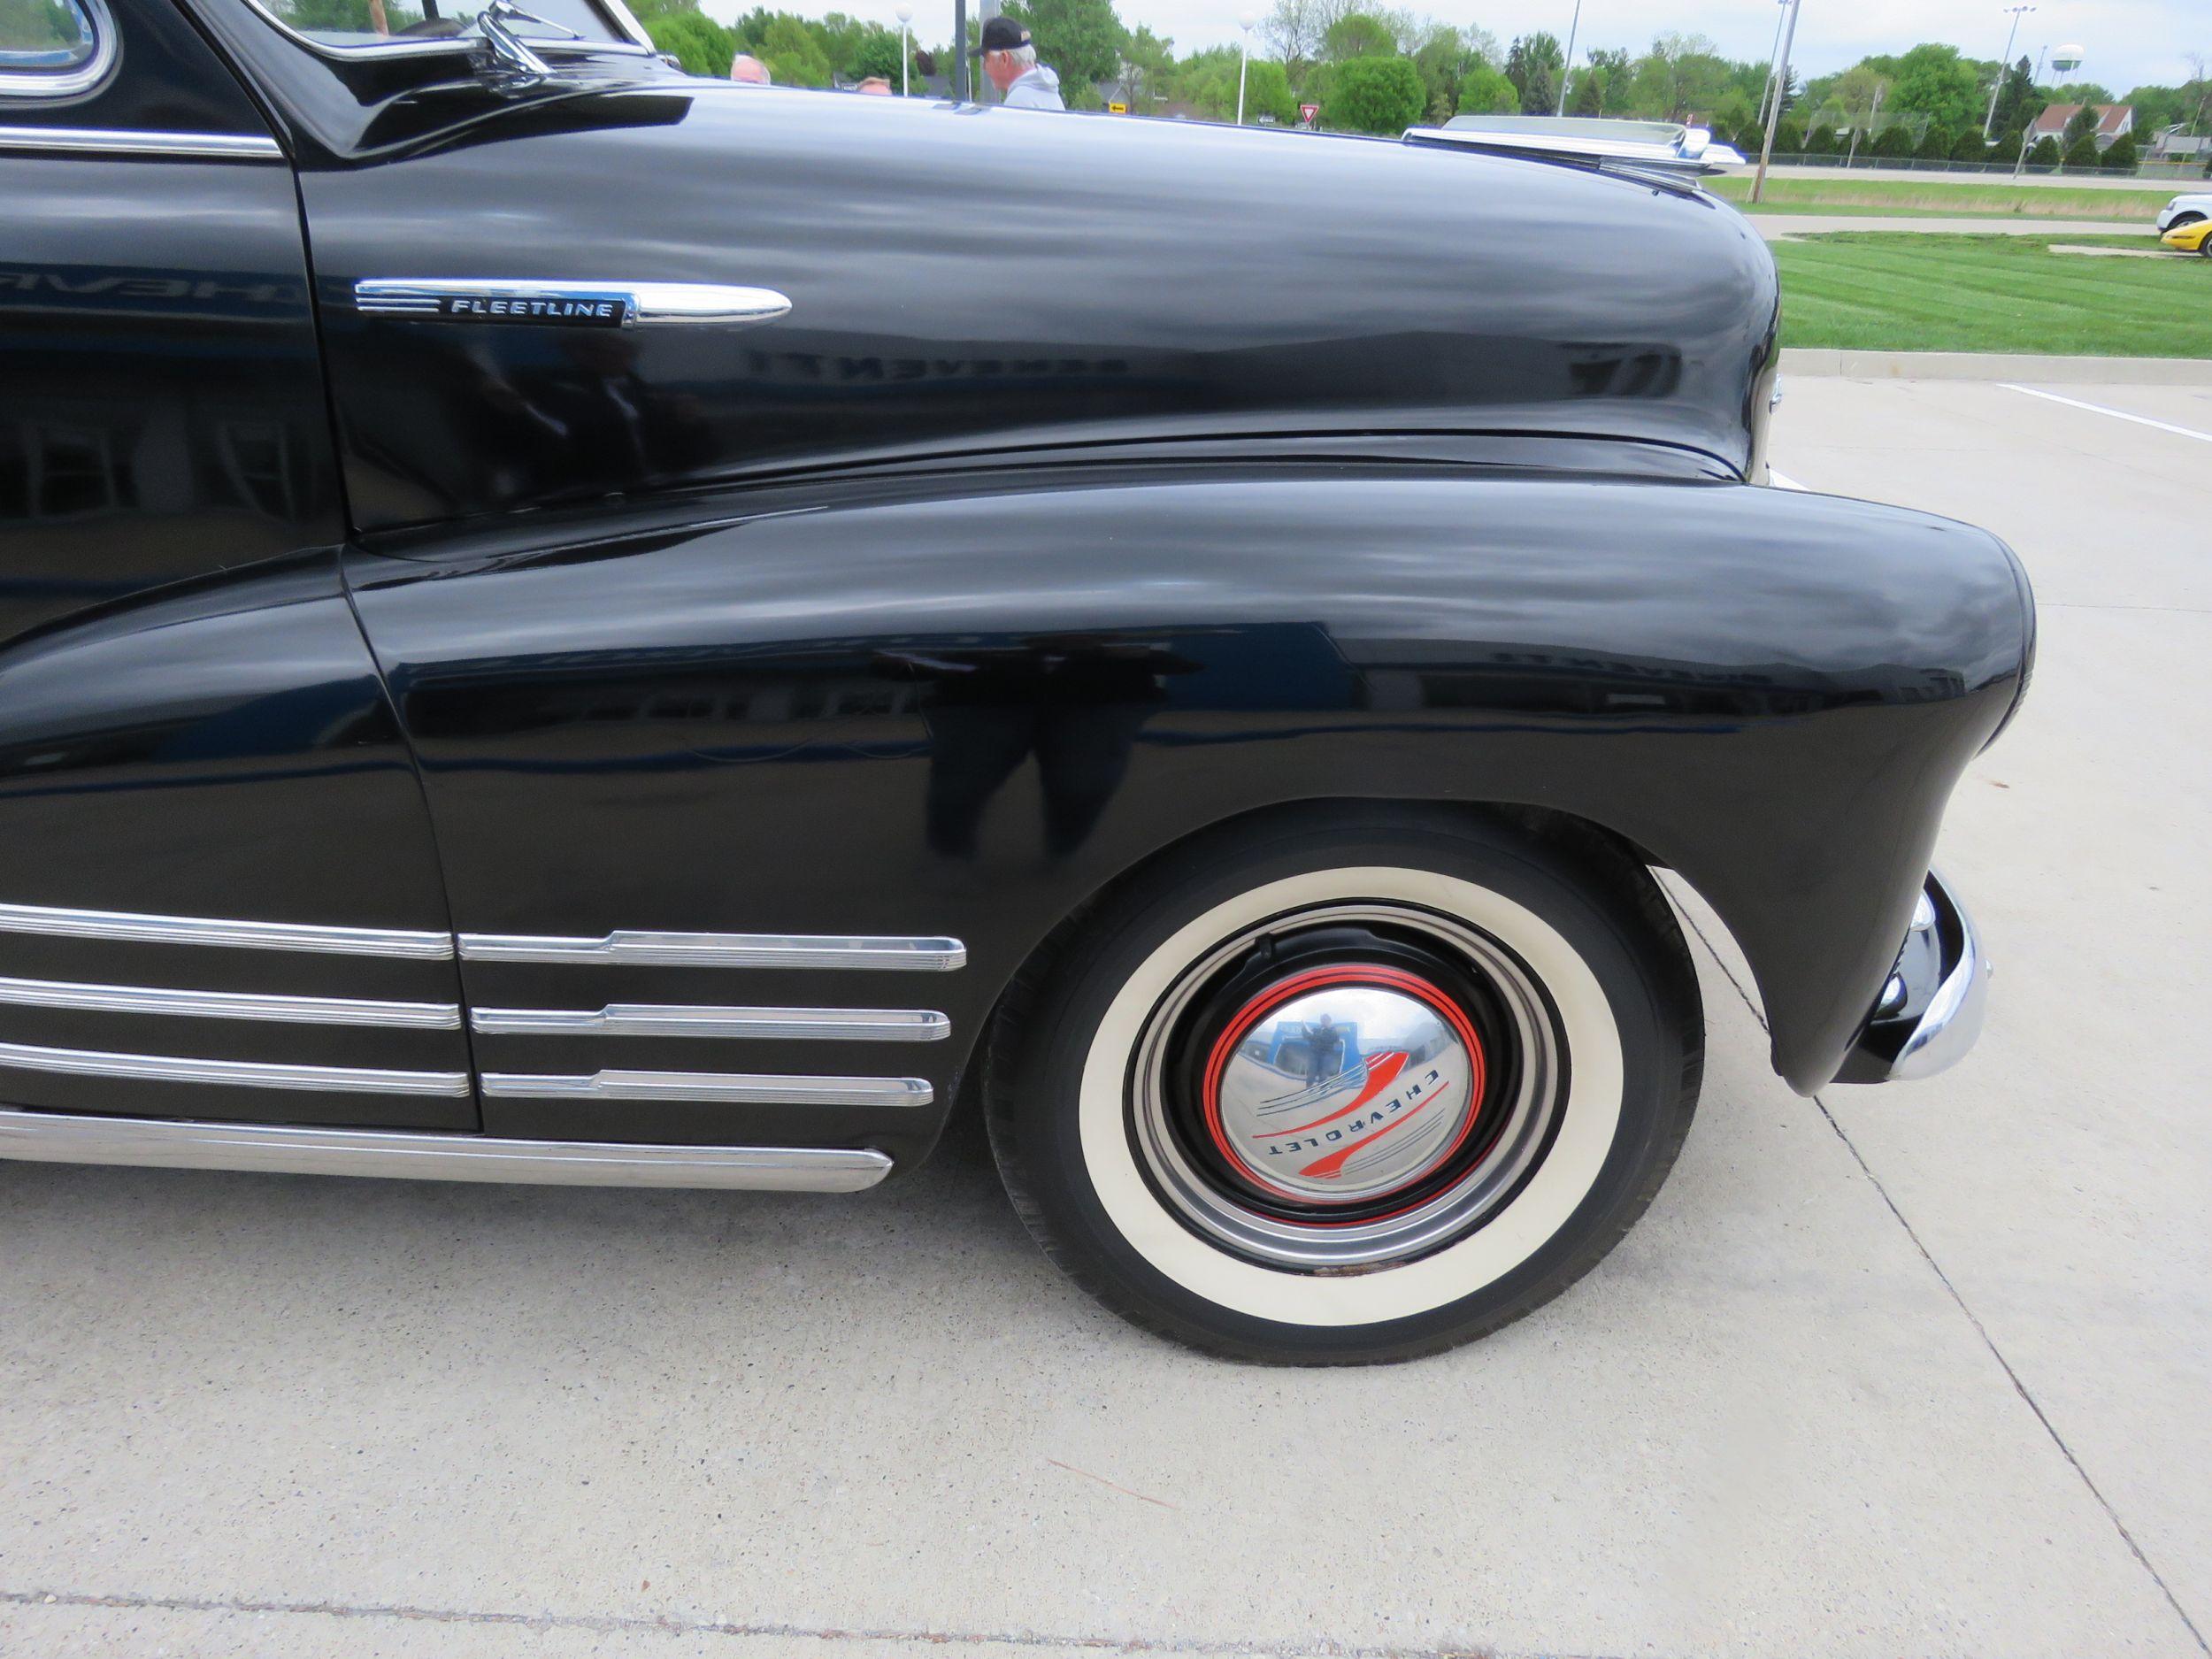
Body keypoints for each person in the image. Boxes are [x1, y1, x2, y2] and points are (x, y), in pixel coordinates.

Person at [969, 15, 1063, 110]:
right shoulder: (1049, 91)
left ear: (1004, 59)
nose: (984, 67)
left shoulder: (1019, 101)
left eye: (986, 59)